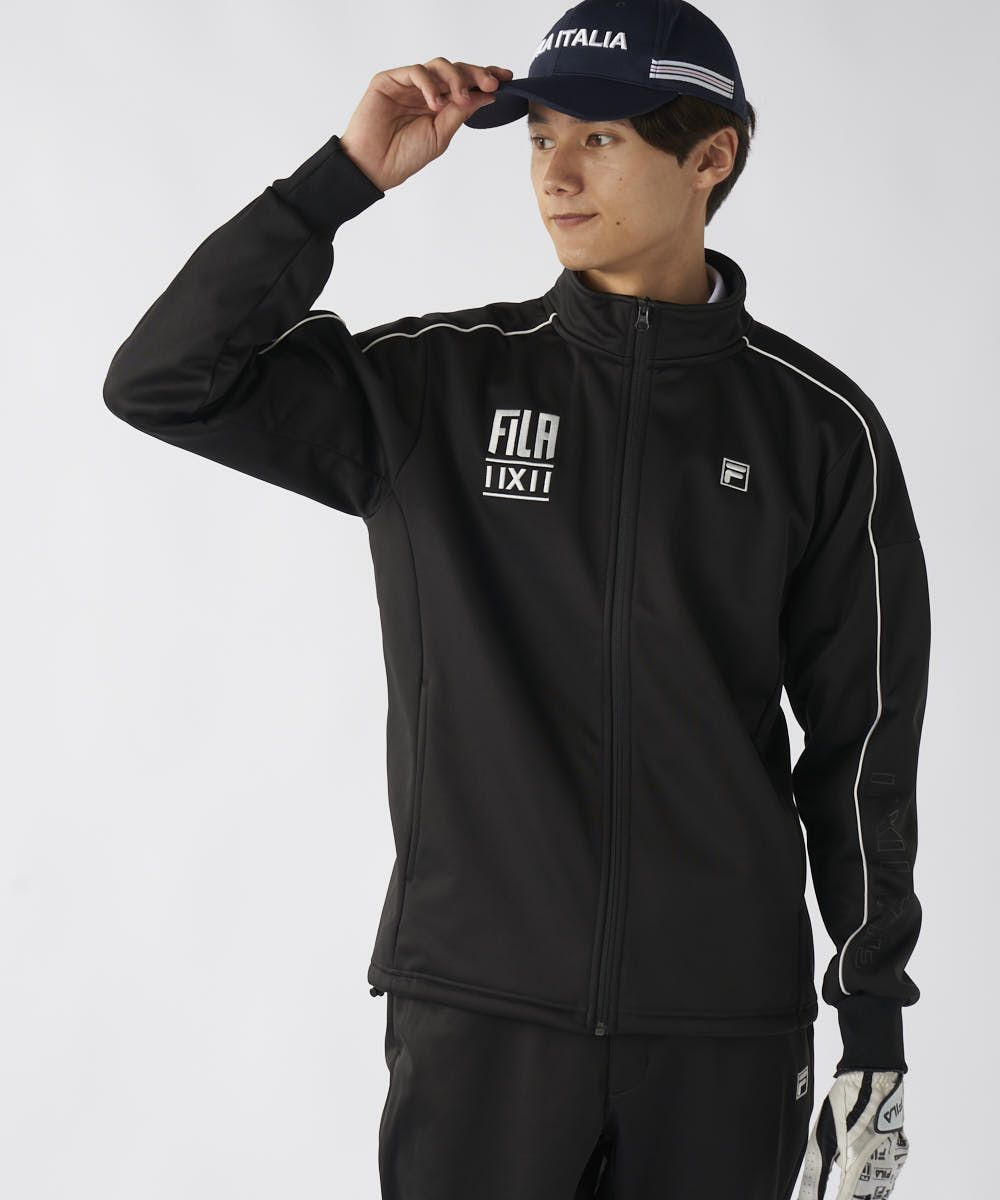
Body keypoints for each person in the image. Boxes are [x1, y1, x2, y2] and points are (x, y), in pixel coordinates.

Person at [102, 1, 929, 1196]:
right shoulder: (431, 386)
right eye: (540, 136)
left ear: (711, 155)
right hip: (478, 1016)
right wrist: (342, 179)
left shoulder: (817, 429)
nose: (554, 173)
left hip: (722, 1034)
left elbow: (861, 749)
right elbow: (163, 382)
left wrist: (873, 1028)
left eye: (599, 139)